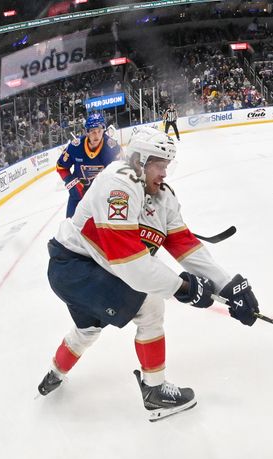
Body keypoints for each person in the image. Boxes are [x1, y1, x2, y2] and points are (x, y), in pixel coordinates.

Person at [38, 127, 260, 421]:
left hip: (95, 271)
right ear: (139, 162)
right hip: (75, 268)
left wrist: (227, 285)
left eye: (167, 166)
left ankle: (55, 372)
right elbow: (130, 264)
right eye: (159, 165)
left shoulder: (162, 197)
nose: (164, 173)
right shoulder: (117, 185)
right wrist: (182, 287)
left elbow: (183, 244)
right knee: (151, 306)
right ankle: (155, 391)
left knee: (87, 330)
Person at [56, 112, 122, 217]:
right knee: (70, 228)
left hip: (102, 197)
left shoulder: (113, 148)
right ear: (87, 132)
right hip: (79, 195)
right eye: (92, 131)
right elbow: (61, 167)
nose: (96, 135)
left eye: (99, 131)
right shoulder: (75, 146)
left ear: (104, 130)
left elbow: (121, 173)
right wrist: (72, 183)